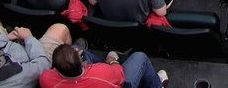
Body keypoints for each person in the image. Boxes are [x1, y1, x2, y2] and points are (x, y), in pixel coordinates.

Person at [40, 41, 168, 88]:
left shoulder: (45, 79)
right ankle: (157, 85)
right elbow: (119, 73)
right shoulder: (101, 72)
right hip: (112, 78)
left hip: (94, 76)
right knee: (140, 57)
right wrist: (112, 60)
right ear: (81, 63)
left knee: (75, 47)